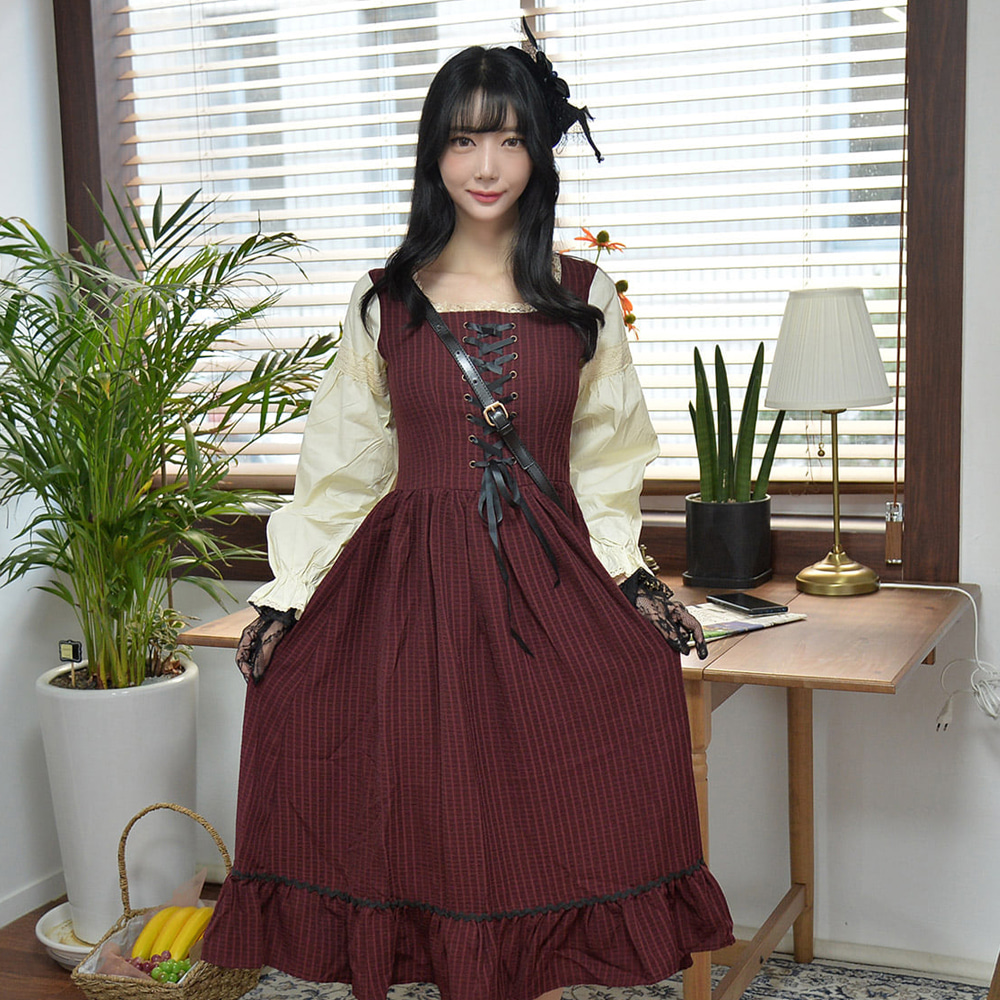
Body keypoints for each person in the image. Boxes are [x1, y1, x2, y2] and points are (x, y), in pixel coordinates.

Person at [201, 26, 733, 1000]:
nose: (486, 166)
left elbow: (606, 460)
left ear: (538, 152)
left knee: (568, 784)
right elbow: (343, 471)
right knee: (429, 811)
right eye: (462, 139)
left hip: (550, 584)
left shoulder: (583, 296)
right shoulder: (383, 302)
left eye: (509, 140)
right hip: (413, 593)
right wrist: (287, 597)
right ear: (433, 153)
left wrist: (631, 579)